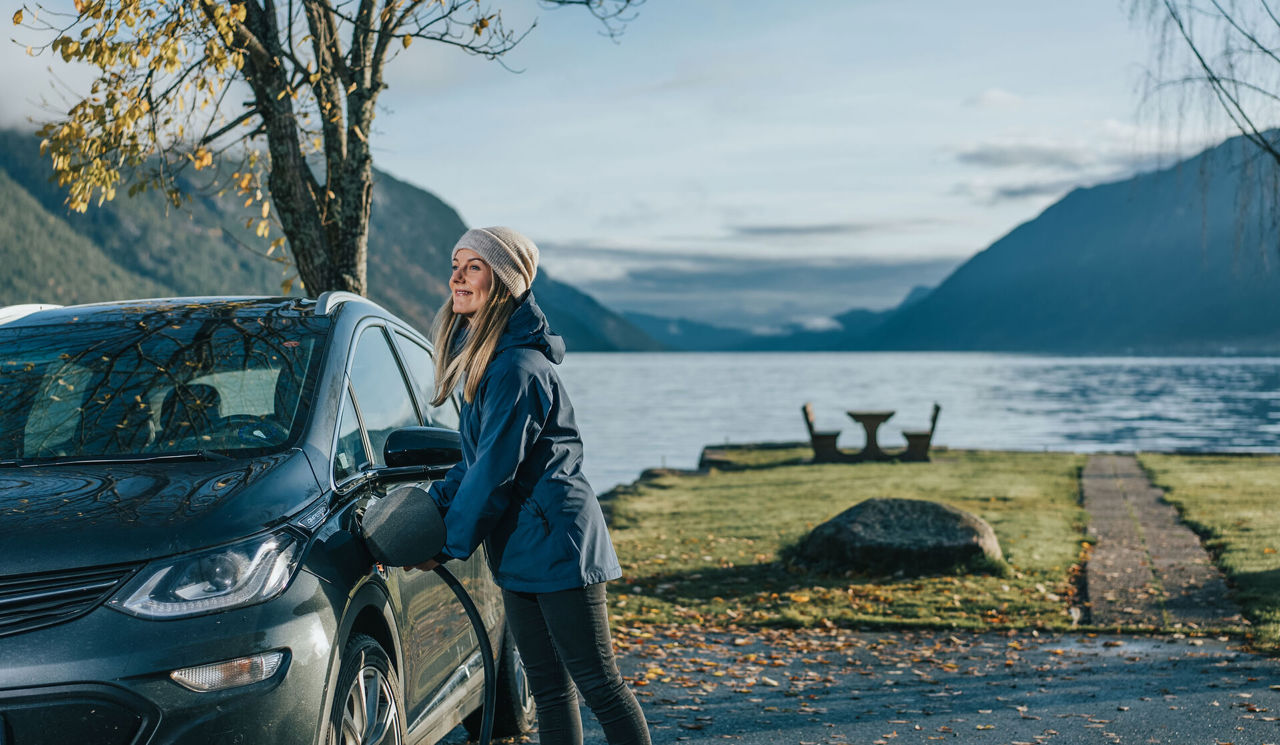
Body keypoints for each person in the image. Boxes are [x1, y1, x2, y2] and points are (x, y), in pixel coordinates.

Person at [414, 226, 651, 745]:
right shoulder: (493, 364)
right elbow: (473, 465)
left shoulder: (516, 369)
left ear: (503, 282)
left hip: (558, 546)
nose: (457, 277)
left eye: (473, 266)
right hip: (522, 547)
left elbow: (492, 475)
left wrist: (445, 545)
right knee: (548, 690)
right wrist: (427, 513)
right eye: (455, 264)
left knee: (600, 684)